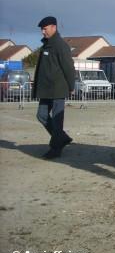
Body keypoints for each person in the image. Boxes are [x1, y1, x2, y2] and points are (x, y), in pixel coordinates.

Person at [33, 16, 76, 159]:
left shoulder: (60, 45)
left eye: (44, 29)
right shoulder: (47, 44)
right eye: (42, 29)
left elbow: (69, 67)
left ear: (53, 27)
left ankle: (55, 149)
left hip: (58, 88)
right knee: (41, 115)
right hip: (46, 89)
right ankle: (61, 138)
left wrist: (71, 85)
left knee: (57, 121)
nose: (42, 32)